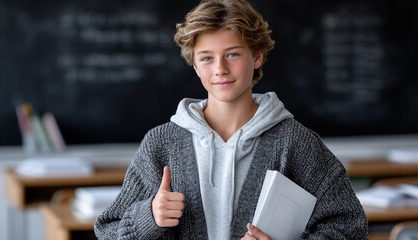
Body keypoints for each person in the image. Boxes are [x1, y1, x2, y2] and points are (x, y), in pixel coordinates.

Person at [94, 0, 369, 239]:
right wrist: (149, 217)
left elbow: (350, 226)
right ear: (194, 65)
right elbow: (108, 229)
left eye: (233, 54)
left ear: (258, 57)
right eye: (206, 58)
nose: (220, 69)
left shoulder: (296, 143)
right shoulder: (161, 144)